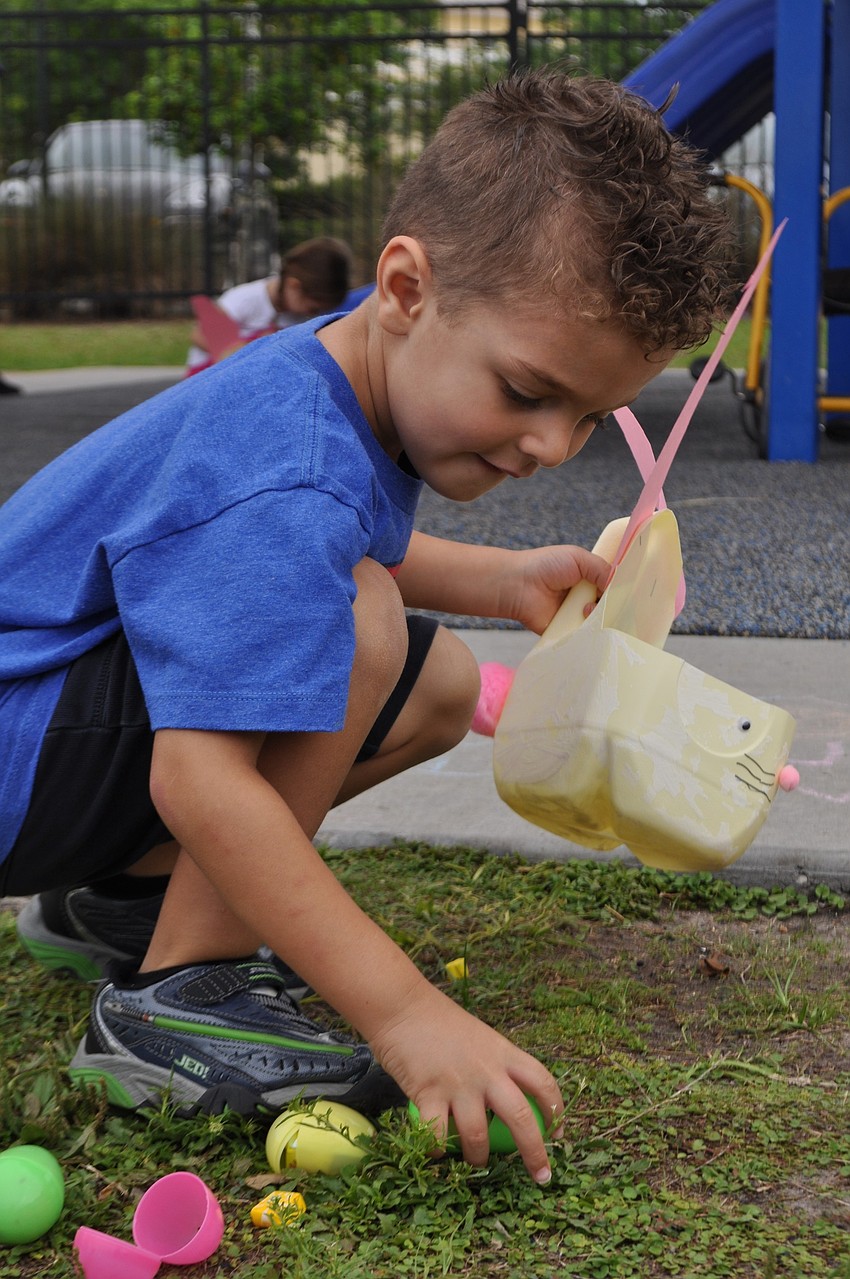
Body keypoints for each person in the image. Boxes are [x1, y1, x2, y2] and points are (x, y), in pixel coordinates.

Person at [0, 69, 735, 1184]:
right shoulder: (288, 462)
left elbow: (305, 546)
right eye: (527, 391)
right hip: (18, 752)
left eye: (592, 416)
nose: (551, 445)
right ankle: (175, 998)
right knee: (361, 619)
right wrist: (404, 1012)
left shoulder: (333, 375)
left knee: (436, 686)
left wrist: (502, 580)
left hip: (46, 740)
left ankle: (124, 898)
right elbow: (200, 774)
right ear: (404, 287)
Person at [184, 235, 353, 374]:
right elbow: (201, 334)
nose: (312, 314)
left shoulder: (296, 317)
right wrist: (243, 353)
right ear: (294, 286)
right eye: (313, 309)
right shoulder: (247, 298)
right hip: (207, 376)